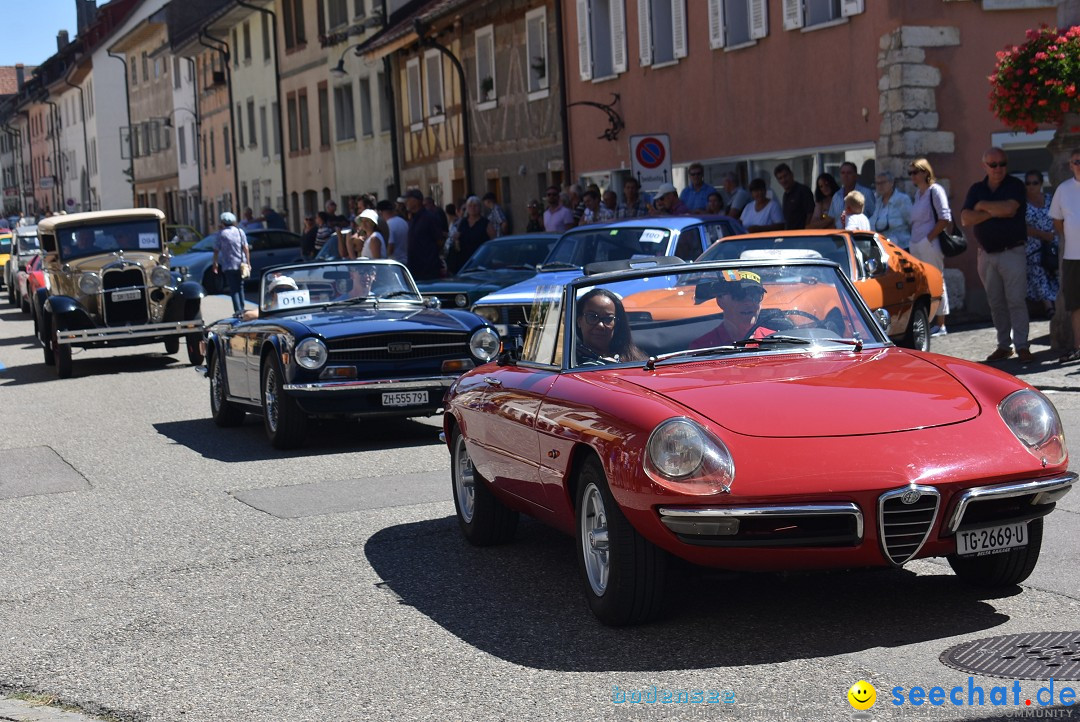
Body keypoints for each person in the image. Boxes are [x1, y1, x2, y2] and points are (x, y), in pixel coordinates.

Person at [961, 147, 1031, 363]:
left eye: (1002, 164)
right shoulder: (976, 189)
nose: (998, 168)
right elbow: (965, 218)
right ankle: (1004, 345)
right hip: (986, 254)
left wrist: (981, 207)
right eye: (993, 164)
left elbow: (1010, 209)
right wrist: (993, 210)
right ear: (985, 166)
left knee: (1016, 300)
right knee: (996, 303)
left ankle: (1022, 346)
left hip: (1012, 252)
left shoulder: (1015, 185)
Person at [909, 157, 952, 337]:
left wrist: (928, 239)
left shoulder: (936, 190)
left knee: (936, 279)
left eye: (915, 172)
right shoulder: (918, 194)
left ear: (925, 172)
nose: (912, 176)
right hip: (917, 243)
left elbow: (945, 218)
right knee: (923, 284)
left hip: (929, 244)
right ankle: (928, 321)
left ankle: (941, 324)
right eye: (910, 173)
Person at [690, 270, 775, 348]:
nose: (749, 303)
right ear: (720, 301)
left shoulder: (776, 340)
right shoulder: (702, 348)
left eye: (755, 295)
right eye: (739, 295)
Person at [1051, 148, 1080, 363]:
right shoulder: (1064, 189)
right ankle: (1078, 347)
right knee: (1075, 305)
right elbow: (1057, 221)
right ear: (1070, 165)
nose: (1079, 165)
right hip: (1073, 256)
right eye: (1076, 161)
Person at [575, 288, 645, 364]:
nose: (600, 325)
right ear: (579, 321)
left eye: (608, 319)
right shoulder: (570, 364)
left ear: (617, 324)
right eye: (592, 317)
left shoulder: (636, 361)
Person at [1023, 169, 1058, 320]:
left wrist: (1052, 235)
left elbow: (1059, 218)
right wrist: (1042, 235)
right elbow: (1023, 227)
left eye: (1035, 183)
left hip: (1053, 243)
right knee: (1038, 270)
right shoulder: (1023, 205)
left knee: (1058, 271)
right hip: (1033, 246)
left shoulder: (1050, 200)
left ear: (1041, 184)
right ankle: (1049, 307)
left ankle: (1061, 304)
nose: (1031, 186)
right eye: (1028, 183)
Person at [212, 211, 250, 313]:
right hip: (241, 264)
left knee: (233, 289)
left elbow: (216, 250)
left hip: (228, 265)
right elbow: (246, 248)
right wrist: (248, 263)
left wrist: (215, 263)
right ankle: (242, 308)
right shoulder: (240, 231)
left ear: (223, 222)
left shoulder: (221, 234)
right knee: (240, 286)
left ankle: (238, 311)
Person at [405, 189, 444, 280]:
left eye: (408, 199)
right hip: (414, 266)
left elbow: (439, 241)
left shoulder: (429, 217)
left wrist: (430, 255)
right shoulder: (412, 218)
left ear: (416, 201)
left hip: (427, 268)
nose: (406, 202)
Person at [868, 171, 913, 248]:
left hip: (901, 247)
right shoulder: (876, 200)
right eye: (877, 183)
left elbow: (912, 223)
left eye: (882, 183)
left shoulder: (902, 199)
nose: (879, 186)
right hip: (881, 247)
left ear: (891, 183)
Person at [447, 196, 490, 274]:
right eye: (470, 206)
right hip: (464, 260)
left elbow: (492, 240)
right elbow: (457, 238)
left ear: (480, 207)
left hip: (480, 258)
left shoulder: (486, 223)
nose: (472, 208)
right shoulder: (462, 222)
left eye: (475, 206)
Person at [828, 161, 876, 228]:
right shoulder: (836, 196)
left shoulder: (866, 193)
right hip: (841, 236)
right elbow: (832, 219)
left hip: (860, 235)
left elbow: (875, 216)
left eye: (849, 173)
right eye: (843, 173)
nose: (845, 176)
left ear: (855, 176)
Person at [773, 163, 815, 230]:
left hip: (802, 235)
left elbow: (810, 213)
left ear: (791, 175)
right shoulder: (785, 195)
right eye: (780, 178)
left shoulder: (803, 191)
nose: (784, 180)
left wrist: (806, 231)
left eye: (785, 176)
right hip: (790, 235)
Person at [378, 200, 409, 264]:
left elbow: (390, 247)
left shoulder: (388, 225)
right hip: (406, 261)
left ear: (380, 212)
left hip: (394, 262)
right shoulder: (403, 221)